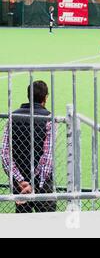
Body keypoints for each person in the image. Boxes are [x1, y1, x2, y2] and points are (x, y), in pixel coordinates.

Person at [1, 81, 57, 213]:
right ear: (46, 97)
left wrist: (20, 181)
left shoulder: (12, 117)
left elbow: (4, 154)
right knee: (47, 221)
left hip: (20, 182)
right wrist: (36, 184)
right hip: (41, 183)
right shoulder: (49, 119)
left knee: (22, 222)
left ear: (28, 96)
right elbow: (47, 157)